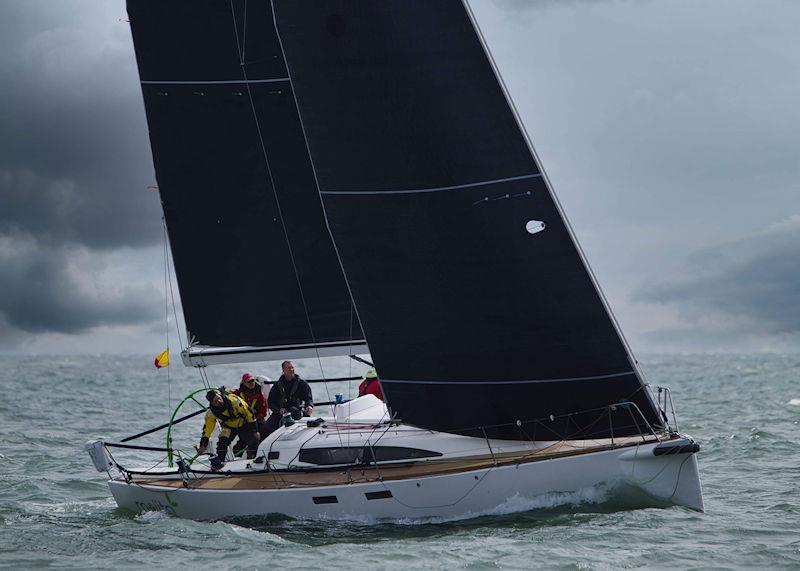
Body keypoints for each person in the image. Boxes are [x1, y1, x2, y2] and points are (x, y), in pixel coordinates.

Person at [196, 388, 260, 470]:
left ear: (221, 396)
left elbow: (249, 413)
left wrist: (255, 431)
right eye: (216, 401)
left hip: (244, 424)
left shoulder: (235, 402)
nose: (219, 401)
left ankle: (255, 458)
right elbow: (207, 431)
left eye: (219, 398)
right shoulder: (211, 414)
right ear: (212, 403)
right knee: (222, 442)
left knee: (254, 440)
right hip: (229, 427)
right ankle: (220, 463)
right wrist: (203, 445)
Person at [262, 361, 314, 437]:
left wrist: (309, 405)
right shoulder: (277, 385)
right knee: (266, 429)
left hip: (297, 412)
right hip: (281, 413)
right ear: (283, 370)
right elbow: (271, 402)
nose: (291, 370)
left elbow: (308, 397)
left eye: (292, 367)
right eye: (289, 368)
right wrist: (278, 410)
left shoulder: (302, 384)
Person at [231, 373, 268, 449]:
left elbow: (263, 410)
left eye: (252, 380)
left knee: (264, 432)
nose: (251, 383)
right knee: (247, 438)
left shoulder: (259, 394)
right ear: (244, 383)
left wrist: (259, 417)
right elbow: (230, 394)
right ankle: (239, 452)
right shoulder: (239, 393)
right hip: (243, 422)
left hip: (256, 420)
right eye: (249, 381)